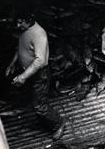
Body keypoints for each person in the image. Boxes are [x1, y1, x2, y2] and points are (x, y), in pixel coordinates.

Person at [6, 9, 65, 140]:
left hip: (39, 74)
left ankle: (58, 123)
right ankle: (45, 121)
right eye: (17, 23)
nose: (18, 26)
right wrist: (13, 63)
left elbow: (40, 61)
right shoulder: (25, 30)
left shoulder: (39, 35)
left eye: (21, 23)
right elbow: (21, 48)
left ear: (29, 20)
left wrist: (22, 77)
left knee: (40, 106)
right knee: (35, 101)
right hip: (29, 72)